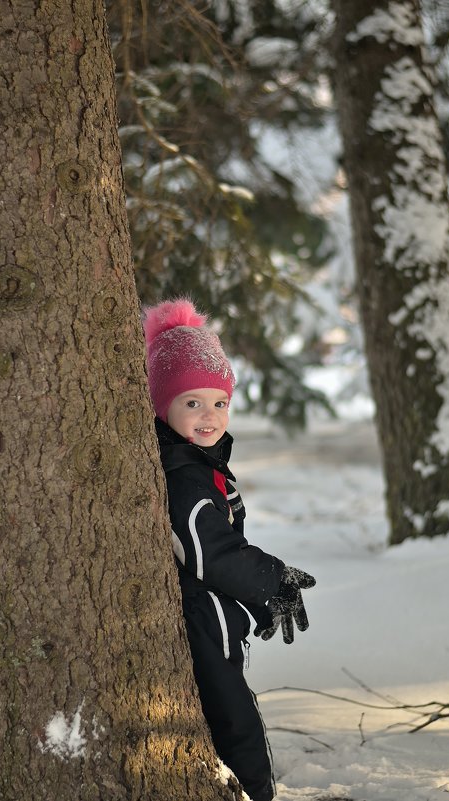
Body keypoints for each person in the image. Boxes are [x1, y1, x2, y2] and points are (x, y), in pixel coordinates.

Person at [143, 297, 315, 801]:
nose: (209, 415)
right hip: (201, 617)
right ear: (162, 405)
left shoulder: (202, 462)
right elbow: (207, 550)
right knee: (234, 719)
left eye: (219, 402)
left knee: (231, 712)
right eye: (191, 402)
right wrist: (269, 581)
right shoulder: (185, 475)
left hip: (214, 614)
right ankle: (255, 792)